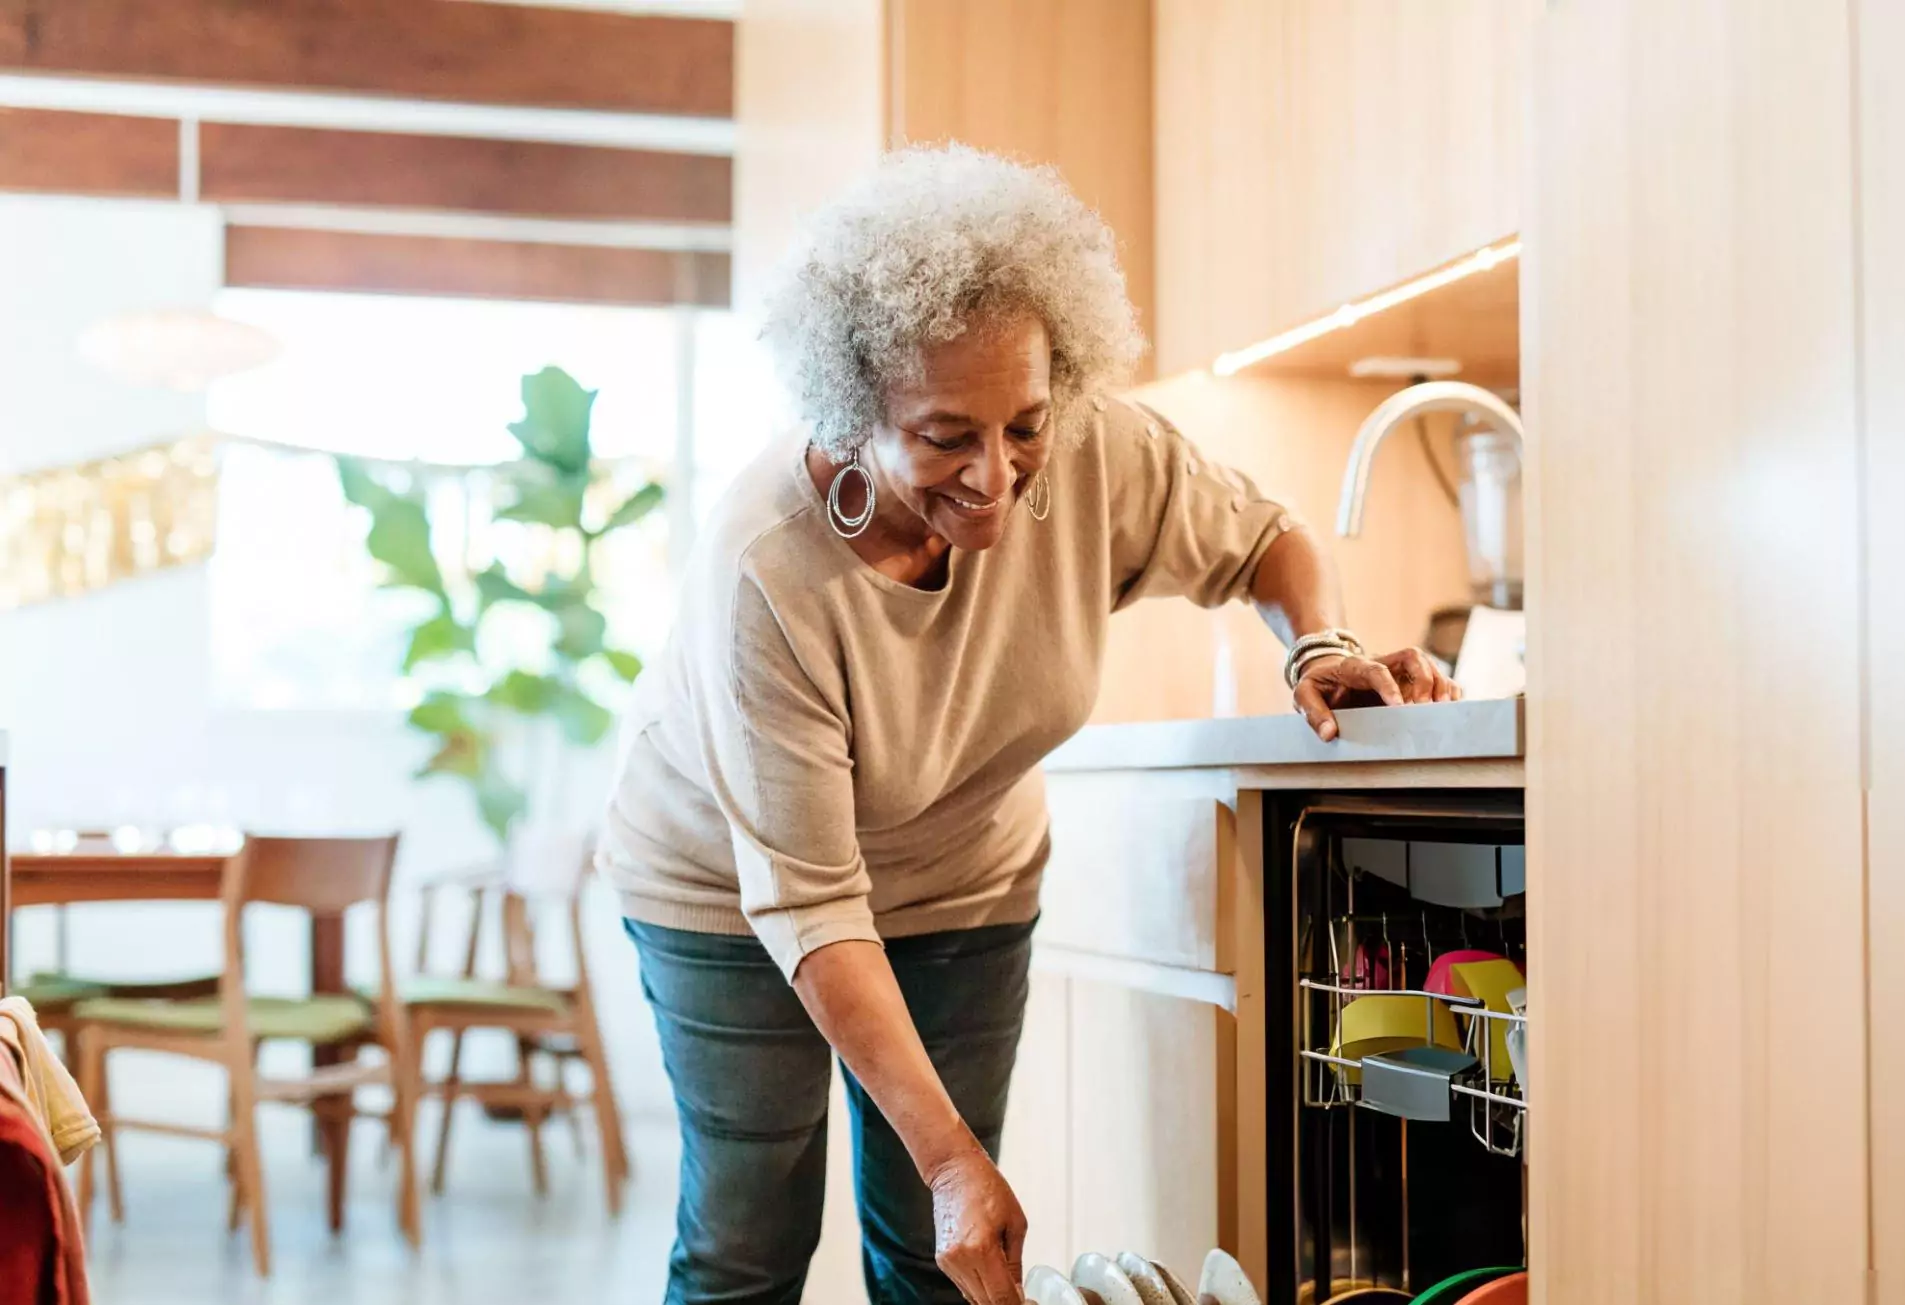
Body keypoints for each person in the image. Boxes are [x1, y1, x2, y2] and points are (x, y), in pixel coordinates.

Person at [599, 144, 1458, 1305]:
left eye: (1023, 426)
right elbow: (806, 898)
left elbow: (1264, 541)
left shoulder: (1093, 447)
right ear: (853, 413)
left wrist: (1315, 643)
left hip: (961, 888)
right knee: (749, 1240)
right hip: (728, 897)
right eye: (945, 435)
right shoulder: (767, 567)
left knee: (935, 1246)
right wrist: (952, 1158)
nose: (995, 475)